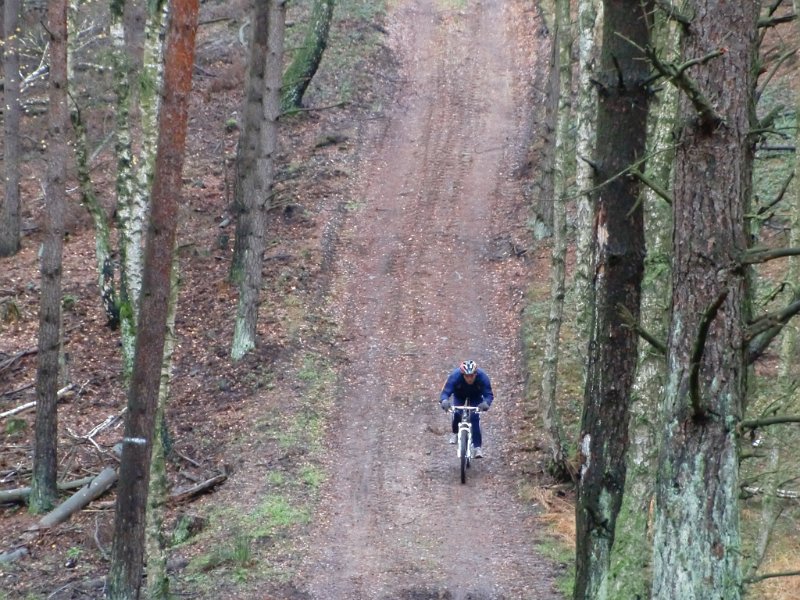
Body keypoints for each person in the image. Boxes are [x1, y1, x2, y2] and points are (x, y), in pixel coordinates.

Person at [439, 359, 494, 458]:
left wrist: (486, 403)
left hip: (476, 397)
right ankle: (455, 433)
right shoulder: (455, 376)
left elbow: (488, 394)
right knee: (456, 413)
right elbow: (445, 392)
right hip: (459, 395)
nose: (469, 379)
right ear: (462, 375)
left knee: (474, 418)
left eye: (472, 376)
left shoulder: (483, 377)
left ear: (476, 374)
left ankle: (477, 447)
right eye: (467, 376)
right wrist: (444, 401)